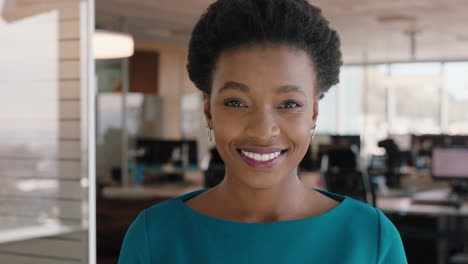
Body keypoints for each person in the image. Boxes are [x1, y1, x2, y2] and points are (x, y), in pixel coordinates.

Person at [118, 0, 408, 263]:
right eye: (236, 102)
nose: (262, 131)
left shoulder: (371, 237)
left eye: (289, 103)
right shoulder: (154, 236)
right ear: (208, 110)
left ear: (314, 113)